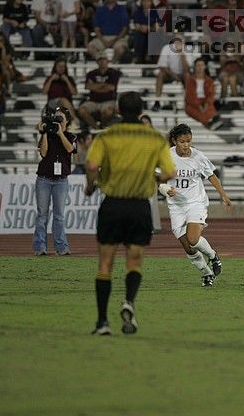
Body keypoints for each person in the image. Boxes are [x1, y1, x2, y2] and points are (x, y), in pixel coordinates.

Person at [84, 91, 176, 335]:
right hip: (138, 207)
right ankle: (129, 302)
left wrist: (90, 186)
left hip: (112, 205)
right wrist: (151, 176)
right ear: (140, 111)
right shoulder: (155, 139)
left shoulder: (107, 136)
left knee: (105, 264)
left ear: (117, 110)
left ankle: (103, 322)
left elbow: (92, 165)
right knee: (134, 261)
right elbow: (169, 173)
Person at [159, 124, 231, 287]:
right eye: (182, 141)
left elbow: (211, 176)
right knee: (188, 247)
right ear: (174, 141)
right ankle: (207, 273)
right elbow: (158, 179)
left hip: (195, 203)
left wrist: (223, 195)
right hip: (176, 206)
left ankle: (213, 256)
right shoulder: (166, 156)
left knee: (193, 239)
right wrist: (164, 188)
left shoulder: (198, 157)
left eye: (188, 141)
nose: (186, 145)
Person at [33, 104, 76, 256]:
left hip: (61, 180)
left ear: (67, 121)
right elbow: (43, 153)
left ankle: (61, 248)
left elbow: (70, 149)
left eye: (61, 118)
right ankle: (40, 248)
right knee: (42, 215)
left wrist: (60, 133)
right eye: (56, 117)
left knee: (59, 215)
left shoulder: (71, 136)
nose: (58, 120)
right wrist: (44, 132)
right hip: (44, 179)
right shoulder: (48, 135)